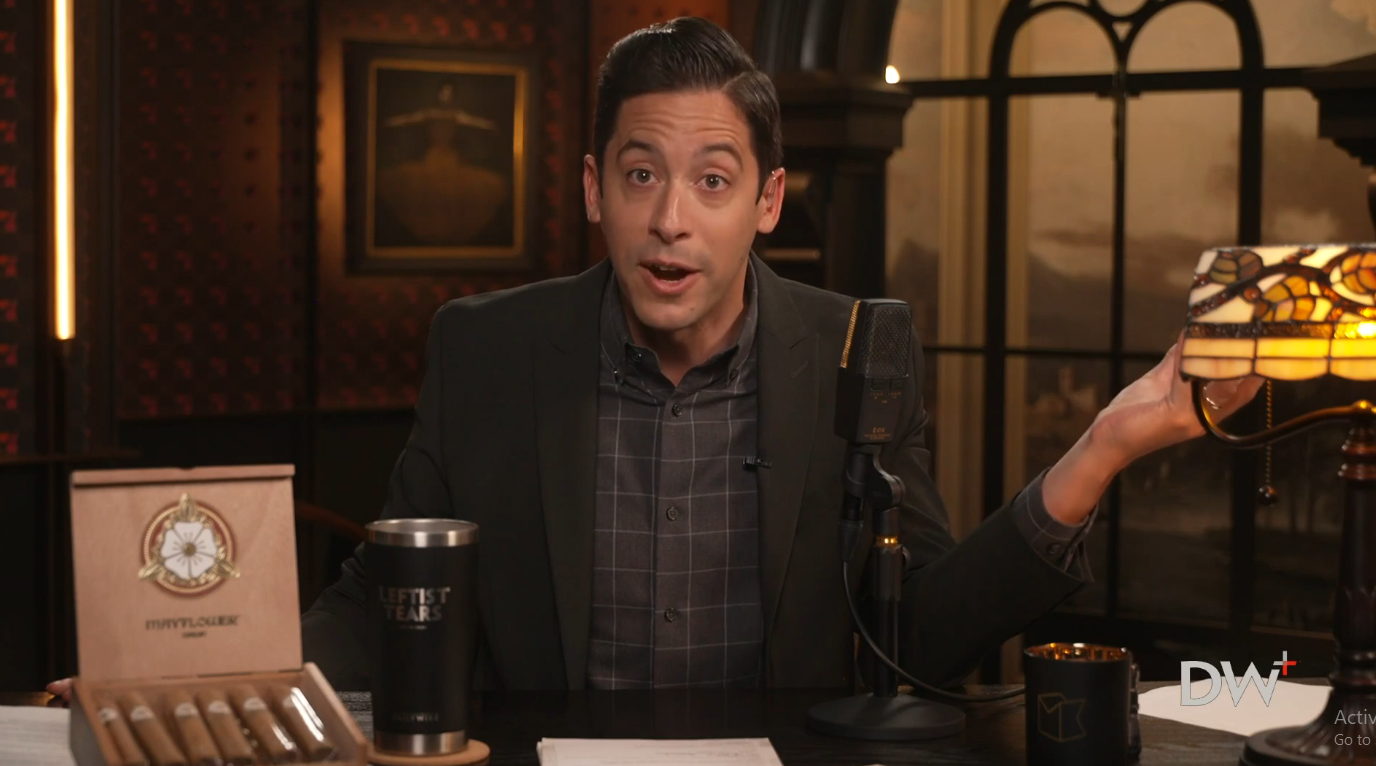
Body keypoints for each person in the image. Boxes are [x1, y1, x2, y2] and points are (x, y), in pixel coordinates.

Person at [48, 16, 1257, 700]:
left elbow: (920, 634)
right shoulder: (486, 350)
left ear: (766, 201)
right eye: (639, 175)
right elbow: (386, 594)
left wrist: (1104, 446)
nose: (669, 219)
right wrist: (200, 683)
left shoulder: (850, 348)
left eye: (711, 181)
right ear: (593, 188)